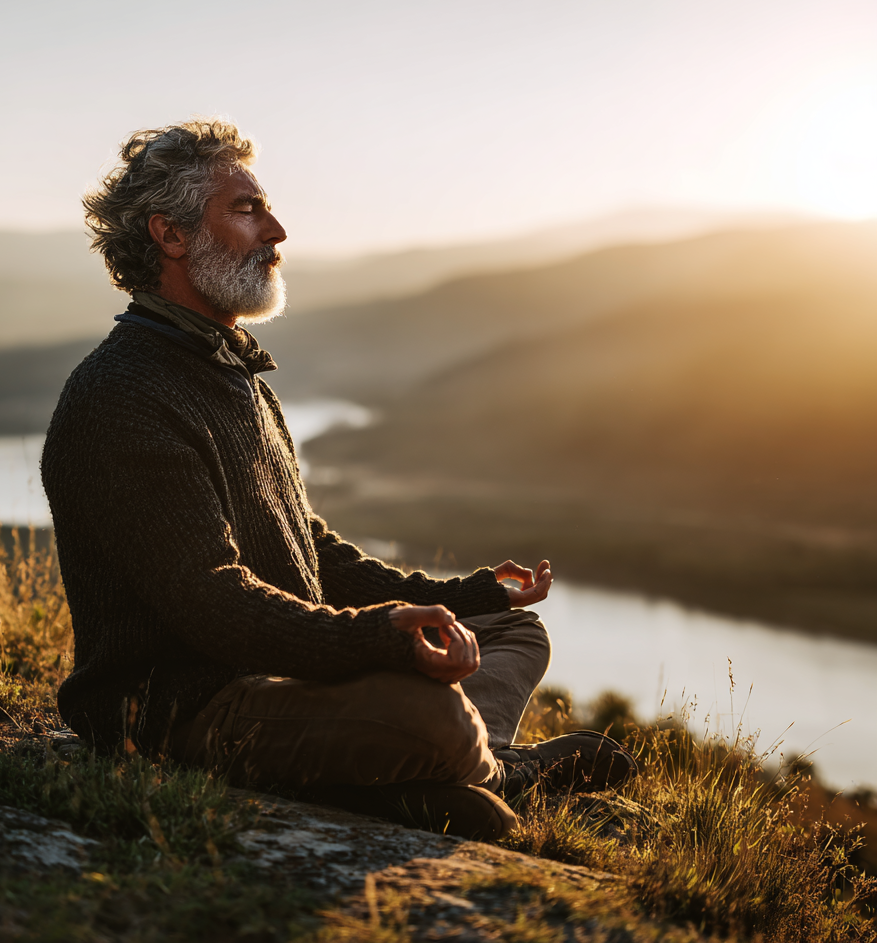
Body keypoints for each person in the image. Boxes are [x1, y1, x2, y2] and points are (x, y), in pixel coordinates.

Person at [42, 117, 635, 842]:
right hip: (185, 708)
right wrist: (378, 639)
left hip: (284, 665)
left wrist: (467, 596)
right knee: (432, 713)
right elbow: (211, 603)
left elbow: (310, 553)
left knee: (511, 629)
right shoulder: (121, 394)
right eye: (247, 210)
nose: (277, 231)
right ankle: (501, 771)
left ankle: (438, 772)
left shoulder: (235, 375)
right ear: (171, 236)